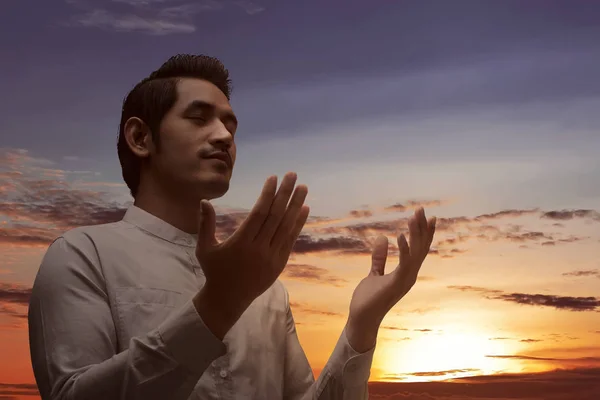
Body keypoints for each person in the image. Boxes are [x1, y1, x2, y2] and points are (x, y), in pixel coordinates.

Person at [28, 54, 437, 400]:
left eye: (230, 125)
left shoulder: (266, 289)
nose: (224, 135)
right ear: (140, 137)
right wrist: (218, 306)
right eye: (199, 118)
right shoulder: (82, 255)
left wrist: (361, 327)